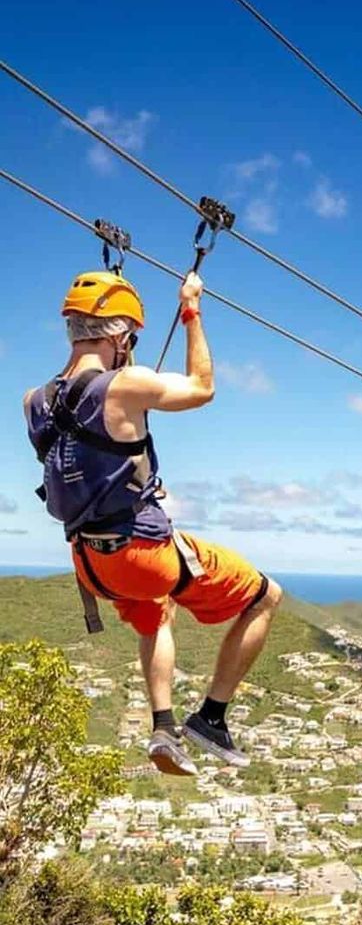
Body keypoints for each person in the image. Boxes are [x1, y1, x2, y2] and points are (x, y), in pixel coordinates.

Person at [24, 268, 282, 777]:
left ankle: (162, 726)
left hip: (90, 564)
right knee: (266, 596)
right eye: (132, 339)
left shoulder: (35, 401)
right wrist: (191, 309)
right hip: (141, 553)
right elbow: (202, 388)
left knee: (155, 613)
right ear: (120, 335)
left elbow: (85, 457)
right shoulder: (127, 384)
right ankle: (211, 717)